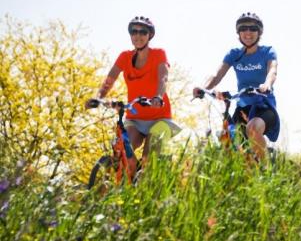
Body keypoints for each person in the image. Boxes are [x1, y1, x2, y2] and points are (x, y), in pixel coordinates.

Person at [86, 16, 180, 162]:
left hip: (159, 118)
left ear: (149, 35)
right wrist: (99, 97)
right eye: (134, 31)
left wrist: (158, 97)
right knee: (120, 151)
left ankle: (145, 176)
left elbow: (163, 77)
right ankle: (130, 178)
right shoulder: (125, 57)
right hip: (135, 119)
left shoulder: (158, 54)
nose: (138, 35)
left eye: (143, 32)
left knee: (148, 159)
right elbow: (109, 79)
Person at [193, 12, 279, 160]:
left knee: (252, 128)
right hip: (242, 107)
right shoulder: (234, 54)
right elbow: (216, 75)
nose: (248, 32)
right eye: (243, 28)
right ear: (238, 33)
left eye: (253, 28)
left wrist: (266, 84)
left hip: (263, 106)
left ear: (259, 32)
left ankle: (266, 172)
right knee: (228, 141)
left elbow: (272, 70)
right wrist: (203, 87)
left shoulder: (267, 51)